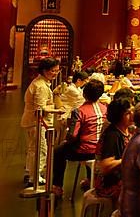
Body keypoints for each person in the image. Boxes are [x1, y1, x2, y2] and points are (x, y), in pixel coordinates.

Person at [52, 79, 107, 196]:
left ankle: (57, 186)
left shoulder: (79, 111)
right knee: (92, 145)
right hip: (101, 151)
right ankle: (89, 179)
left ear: (84, 94)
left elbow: (72, 136)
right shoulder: (105, 109)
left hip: (83, 151)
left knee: (58, 152)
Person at [21, 57, 60, 186]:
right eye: (52, 71)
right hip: (37, 122)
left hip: (31, 122)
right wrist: (57, 110)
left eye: (57, 71)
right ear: (44, 70)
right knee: (41, 149)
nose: (55, 73)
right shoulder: (41, 86)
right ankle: (35, 177)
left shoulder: (40, 82)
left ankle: (30, 173)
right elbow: (40, 109)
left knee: (33, 149)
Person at [95, 97, 134, 205]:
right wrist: (128, 158)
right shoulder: (113, 135)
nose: (132, 115)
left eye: (132, 111)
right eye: (127, 113)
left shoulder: (126, 130)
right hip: (109, 184)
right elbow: (105, 166)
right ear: (118, 116)